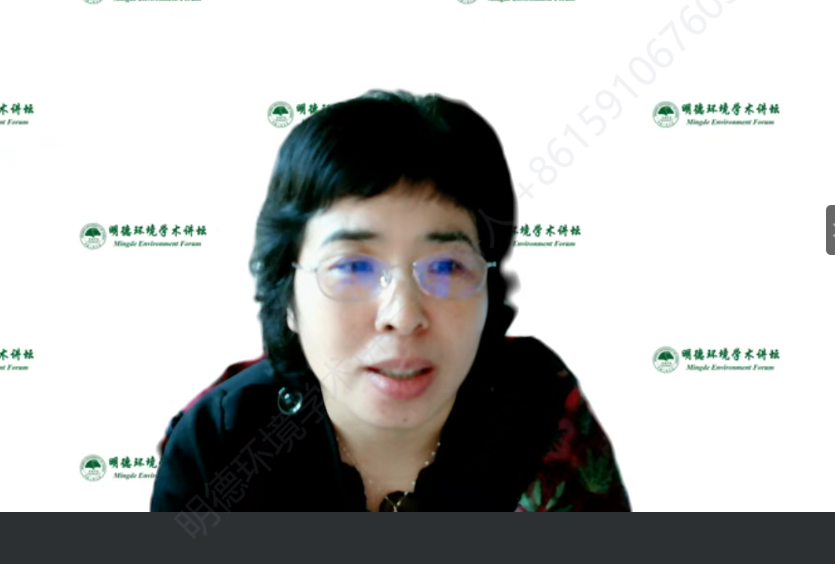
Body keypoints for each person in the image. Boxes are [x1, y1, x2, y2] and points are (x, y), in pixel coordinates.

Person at [150, 90, 630, 512]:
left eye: (446, 267)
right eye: (354, 268)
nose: (402, 315)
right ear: (288, 296)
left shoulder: (544, 417)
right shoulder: (221, 442)